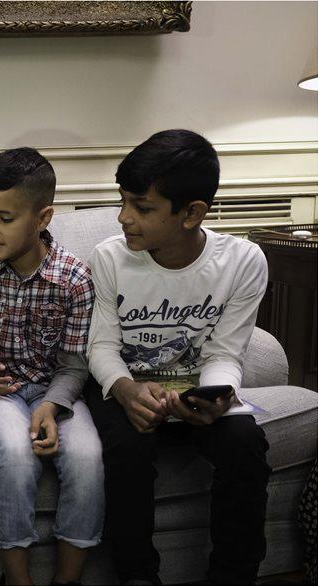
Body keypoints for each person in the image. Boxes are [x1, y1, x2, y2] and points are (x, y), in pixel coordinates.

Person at [85, 129, 271, 585]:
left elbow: (226, 352)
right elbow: (102, 346)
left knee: (245, 444)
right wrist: (126, 390)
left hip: (196, 388)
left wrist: (216, 395)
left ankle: (233, 576)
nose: (123, 217)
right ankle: (137, 576)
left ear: (192, 213)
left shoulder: (243, 262)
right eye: (123, 201)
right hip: (127, 385)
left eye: (142, 207)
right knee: (127, 449)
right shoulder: (109, 259)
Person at [0, 148, 103, 586]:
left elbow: (75, 364)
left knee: (87, 457)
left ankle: (68, 578)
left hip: (56, 391)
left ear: (43, 218)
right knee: (13, 454)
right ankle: (17, 579)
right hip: (0, 394)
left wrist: (51, 405)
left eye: (4, 218)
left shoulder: (74, 279)